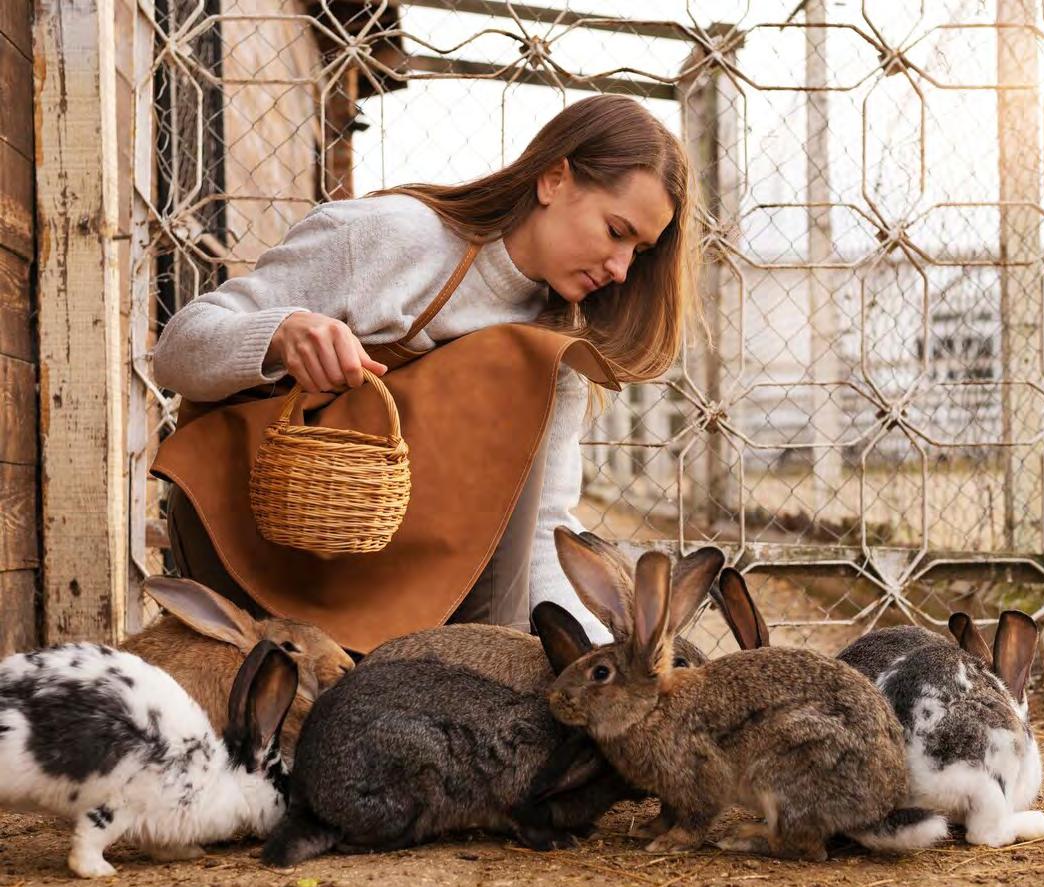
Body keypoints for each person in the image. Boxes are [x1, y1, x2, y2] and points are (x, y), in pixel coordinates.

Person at [150, 93, 700, 651]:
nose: (621, 269)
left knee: (528, 364)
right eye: (616, 231)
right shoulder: (394, 237)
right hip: (260, 536)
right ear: (554, 180)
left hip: (405, 579)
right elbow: (176, 350)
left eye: (639, 252)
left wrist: (608, 658)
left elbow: (542, 526)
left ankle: (483, 670)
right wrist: (282, 333)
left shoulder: (555, 352)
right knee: (513, 364)